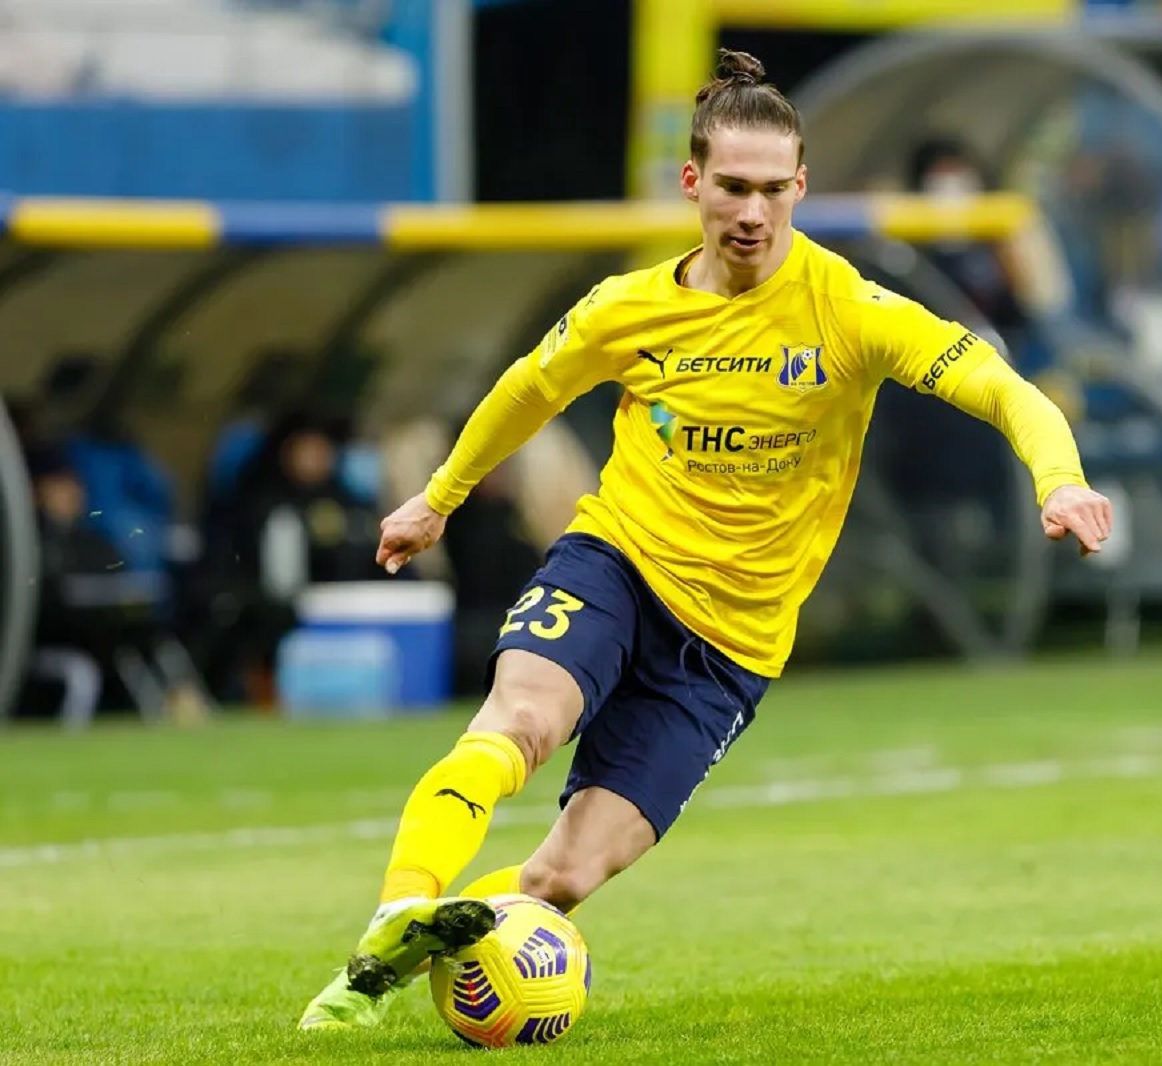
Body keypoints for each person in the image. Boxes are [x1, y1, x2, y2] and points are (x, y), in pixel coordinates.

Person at [298, 49, 1112, 1031]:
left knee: (562, 877)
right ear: (693, 183)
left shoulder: (849, 310)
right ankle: (392, 920)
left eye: (772, 189)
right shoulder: (628, 308)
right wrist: (438, 500)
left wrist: (1060, 480)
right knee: (521, 720)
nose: (752, 212)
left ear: (801, 187)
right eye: (732, 186)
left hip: (729, 649)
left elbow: (1002, 388)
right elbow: (527, 389)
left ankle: (442, 939)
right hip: (618, 564)